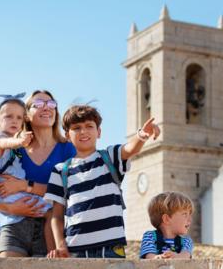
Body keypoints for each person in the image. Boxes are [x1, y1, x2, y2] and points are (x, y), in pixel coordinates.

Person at [44, 104, 160, 258]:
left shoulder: (110, 157)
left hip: (112, 247)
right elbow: (57, 216)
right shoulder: (60, 171)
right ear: (67, 135)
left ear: (98, 132)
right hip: (76, 250)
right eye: (76, 128)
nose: (83, 131)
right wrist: (60, 245)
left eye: (89, 126)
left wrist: (141, 135)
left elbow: (131, 149)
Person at [0, 90, 76, 257]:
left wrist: (25, 186)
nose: (46, 108)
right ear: (26, 115)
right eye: (39, 104)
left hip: (51, 231)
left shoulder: (67, 149)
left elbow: (70, 192)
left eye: (51, 104)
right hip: (14, 227)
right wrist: (9, 207)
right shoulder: (13, 147)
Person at [0, 93, 53, 254]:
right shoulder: (0, 140)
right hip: (12, 212)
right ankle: (54, 253)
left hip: (27, 207)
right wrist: (20, 142)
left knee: (51, 212)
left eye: (19, 117)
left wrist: (24, 185)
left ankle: (54, 254)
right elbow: (5, 142)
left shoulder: (62, 147)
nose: (14, 121)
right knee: (51, 212)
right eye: (9, 117)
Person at [140, 191, 194, 259]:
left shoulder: (186, 241)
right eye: (185, 214)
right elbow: (149, 256)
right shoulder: (150, 236)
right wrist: (158, 258)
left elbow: (186, 255)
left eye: (190, 214)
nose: (190, 219)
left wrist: (176, 257)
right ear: (166, 219)